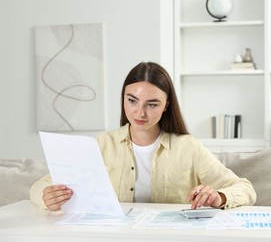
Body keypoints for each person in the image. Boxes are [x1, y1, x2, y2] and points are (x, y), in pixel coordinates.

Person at [30, 62, 256, 211]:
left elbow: (245, 188)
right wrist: (47, 197)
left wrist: (220, 197)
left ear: (166, 105)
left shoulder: (189, 148)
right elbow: (40, 186)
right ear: (123, 99)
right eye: (132, 100)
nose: (140, 112)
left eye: (152, 104)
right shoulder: (102, 144)